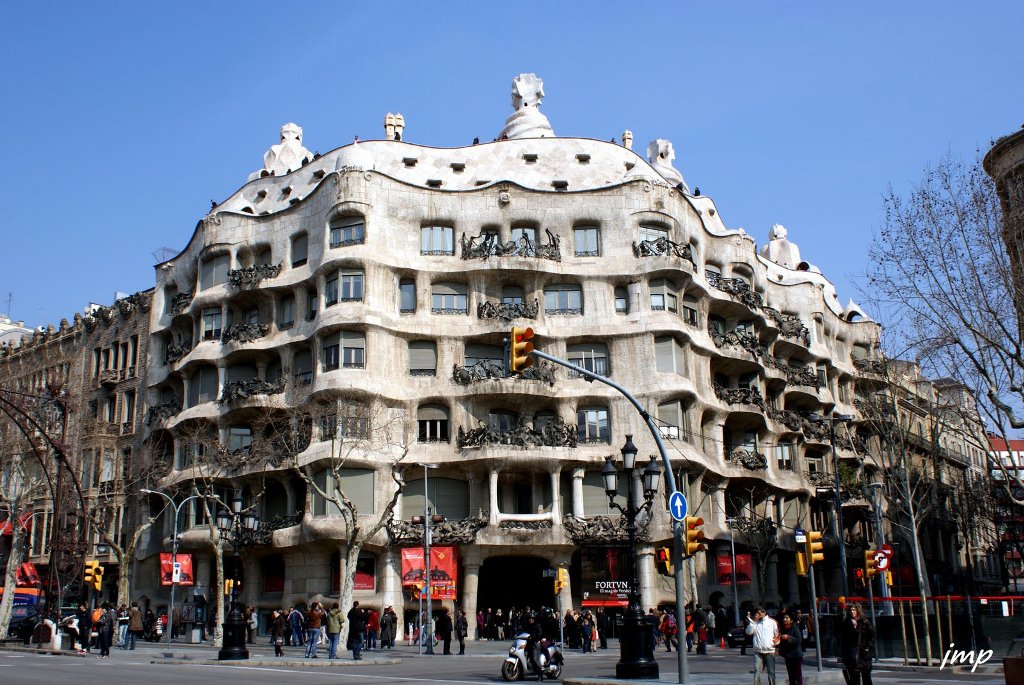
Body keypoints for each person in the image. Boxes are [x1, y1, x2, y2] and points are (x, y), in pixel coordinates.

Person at [744, 606, 780, 685]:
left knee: (771, 671)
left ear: (764, 613)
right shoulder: (755, 623)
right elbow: (748, 632)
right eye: (756, 613)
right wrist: (753, 622)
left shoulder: (772, 622)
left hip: (769, 650)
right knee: (757, 670)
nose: (757, 615)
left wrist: (774, 643)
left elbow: (777, 634)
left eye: (759, 613)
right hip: (758, 650)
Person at [841, 604, 874, 685]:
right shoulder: (846, 623)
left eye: (854, 610)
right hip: (852, 655)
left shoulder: (865, 622)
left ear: (858, 611)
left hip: (864, 655)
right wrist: (844, 656)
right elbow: (843, 640)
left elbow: (872, 636)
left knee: (867, 678)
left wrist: (868, 647)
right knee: (854, 679)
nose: (852, 612)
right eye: (851, 610)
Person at [778, 613, 804, 685]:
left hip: (796, 655)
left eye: (787, 618)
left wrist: (788, 637)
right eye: (784, 618)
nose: (785, 619)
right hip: (788, 655)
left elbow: (798, 640)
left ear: (791, 620)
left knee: (797, 674)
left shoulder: (795, 628)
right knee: (791, 675)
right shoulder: (783, 628)